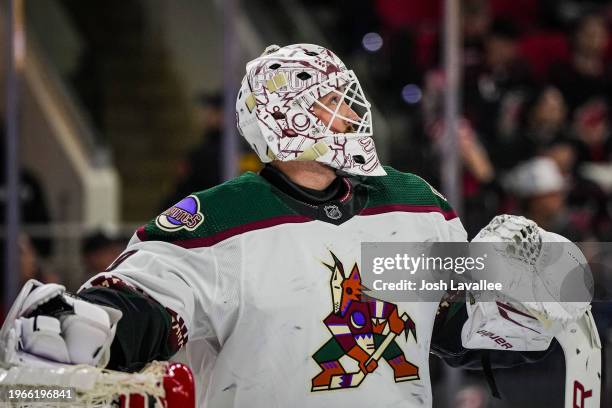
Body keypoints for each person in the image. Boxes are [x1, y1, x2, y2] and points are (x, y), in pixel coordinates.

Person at [3, 44, 596, 407]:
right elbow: (145, 305)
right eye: (327, 101)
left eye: (345, 96)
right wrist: (85, 325)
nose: (348, 112)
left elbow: (451, 324)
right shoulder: (220, 219)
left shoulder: (413, 203)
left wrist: (523, 301)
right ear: (281, 120)